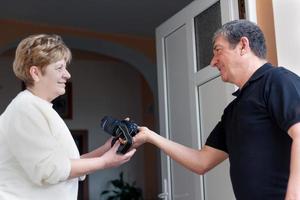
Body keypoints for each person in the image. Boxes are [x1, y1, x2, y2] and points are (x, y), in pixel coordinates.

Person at [134, 20, 300, 200]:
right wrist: (150, 136)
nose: (213, 62)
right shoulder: (233, 110)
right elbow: (202, 162)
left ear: (243, 45)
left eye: (218, 51)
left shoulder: (277, 80)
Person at [0, 34, 136, 200]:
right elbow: (49, 170)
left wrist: (108, 148)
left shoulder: (40, 109)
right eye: (59, 68)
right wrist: (105, 162)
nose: (67, 75)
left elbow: (68, 165)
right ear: (35, 73)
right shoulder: (25, 109)